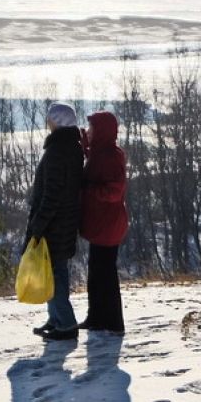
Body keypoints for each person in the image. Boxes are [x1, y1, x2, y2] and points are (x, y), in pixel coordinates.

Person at [26, 102, 86, 342]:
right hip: (66, 221)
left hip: (55, 224)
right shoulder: (72, 147)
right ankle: (56, 319)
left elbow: (51, 195)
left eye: (50, 119)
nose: (47, 122)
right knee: (54, 272)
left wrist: (38, 227)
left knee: (55, 274)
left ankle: (67, 325)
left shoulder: (57, 151)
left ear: (57, 122)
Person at [79, 110, 129, 334]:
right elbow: (96, 164)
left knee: (105, 274)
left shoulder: (110, 156)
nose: (89, 131)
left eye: (92, 128)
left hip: (108, 226)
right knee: (97, 272)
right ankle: (97, 317)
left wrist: (88, 189)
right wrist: (85, 148)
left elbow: (114, 191)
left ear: (102, 131)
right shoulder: (102, 152)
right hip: (103, 224)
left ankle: (113, 323)